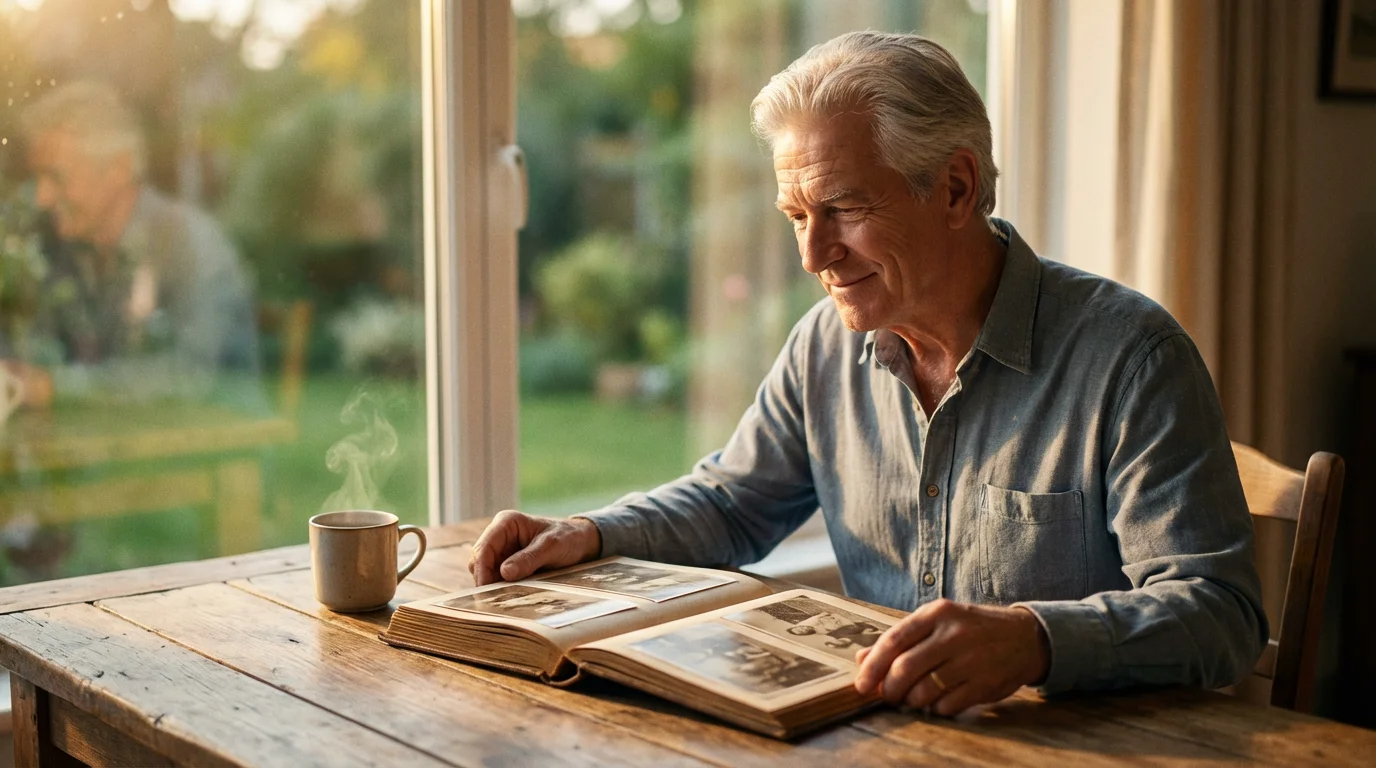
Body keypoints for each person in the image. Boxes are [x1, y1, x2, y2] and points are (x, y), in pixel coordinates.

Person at [469, 32, 1267, 716]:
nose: (814, 256)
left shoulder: (1132, 358)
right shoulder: (824, 344)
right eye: (796, 218)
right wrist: (592, 532)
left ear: (955, 188)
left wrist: (1035, 640)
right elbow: (731, 504)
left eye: (844, 209)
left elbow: (1220, 616)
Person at [6, 81, 260, 408]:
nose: (41, 198)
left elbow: (191, 375)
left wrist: (55, 387)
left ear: (118, 169)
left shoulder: (193, 245)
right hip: (126, 447)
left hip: (217, 451)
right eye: (37, 179)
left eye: (55, 177)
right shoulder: (66, 248)